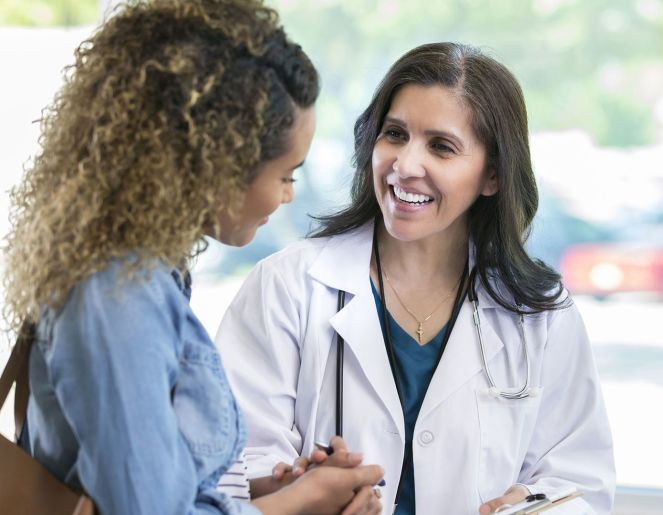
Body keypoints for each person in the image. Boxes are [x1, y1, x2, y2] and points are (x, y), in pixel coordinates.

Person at [1, 1, 384, 514]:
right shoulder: (117, 298)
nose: (290, 195)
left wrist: (268, 495)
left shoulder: (146, 273)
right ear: (216, 166)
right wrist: (301, 504)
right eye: (286, 175)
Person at [216, 42, 615, 515]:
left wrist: (529, 506)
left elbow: (579, 483)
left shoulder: (540, 313)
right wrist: (299, 487)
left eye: (441, 147)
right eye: (395, 134)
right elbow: (231, 466)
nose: (405, 165)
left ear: (492, 176)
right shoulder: (286, 287)